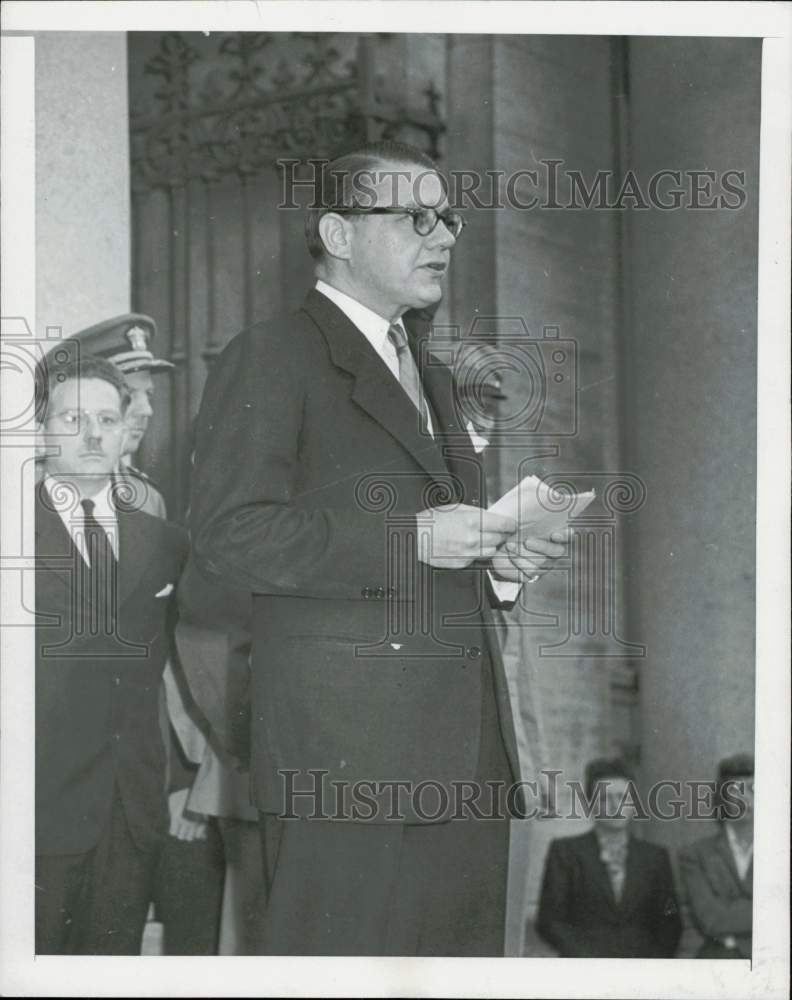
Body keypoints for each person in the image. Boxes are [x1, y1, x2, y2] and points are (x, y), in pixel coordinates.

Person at [182, 139, 568, 956]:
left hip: (464, 757)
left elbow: (437, 550)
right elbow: (224, 536)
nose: (446, 237)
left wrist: (496, 568)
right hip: (348, 765)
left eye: (450, 218)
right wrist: (409, 541)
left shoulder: (427, 372)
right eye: (416, 217)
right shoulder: (272, 356)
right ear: (339, 232)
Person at [72, 313, 229, 954]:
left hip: (165, 770)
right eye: (125, 394)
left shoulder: (150, 501)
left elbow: (177, 651)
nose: (142, 411)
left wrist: (199, 773)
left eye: (149, 397)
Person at [33, 352, 187, 954]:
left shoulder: (165, 541)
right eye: (73, 419)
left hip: (130, 812)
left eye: (106, 418)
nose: (93, 434)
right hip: (34, 811)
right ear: (41, 429)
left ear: (126, 429)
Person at [535, 757, 682, 957]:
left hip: (642, 973)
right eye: (605, 798)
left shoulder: (655, 857)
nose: (615, 806)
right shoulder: (565, 853)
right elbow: (549, 921)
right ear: (590, 804)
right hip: (584, 970)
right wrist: (588, 961)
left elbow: (670, 921)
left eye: (623, 797)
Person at [678, 752, 754, 959]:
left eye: (753, 790)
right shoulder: (695, 854)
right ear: (722, 796)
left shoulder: (780, 850)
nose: (745, 799)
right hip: (717, 961)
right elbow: (711, 919)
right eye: (736, 791)